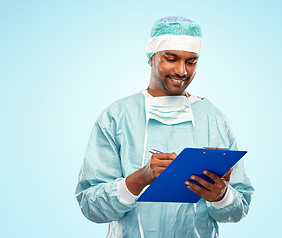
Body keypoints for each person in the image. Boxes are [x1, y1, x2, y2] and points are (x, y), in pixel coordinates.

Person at [75, 16, 254, 238]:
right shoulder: (117, 117)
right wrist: (140, 179)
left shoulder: (213, 118)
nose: (182, 71)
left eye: (191, 61)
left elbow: (240, 205)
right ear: (152, 57)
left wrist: (222, 196)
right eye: (171, 58)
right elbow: (91, 206)